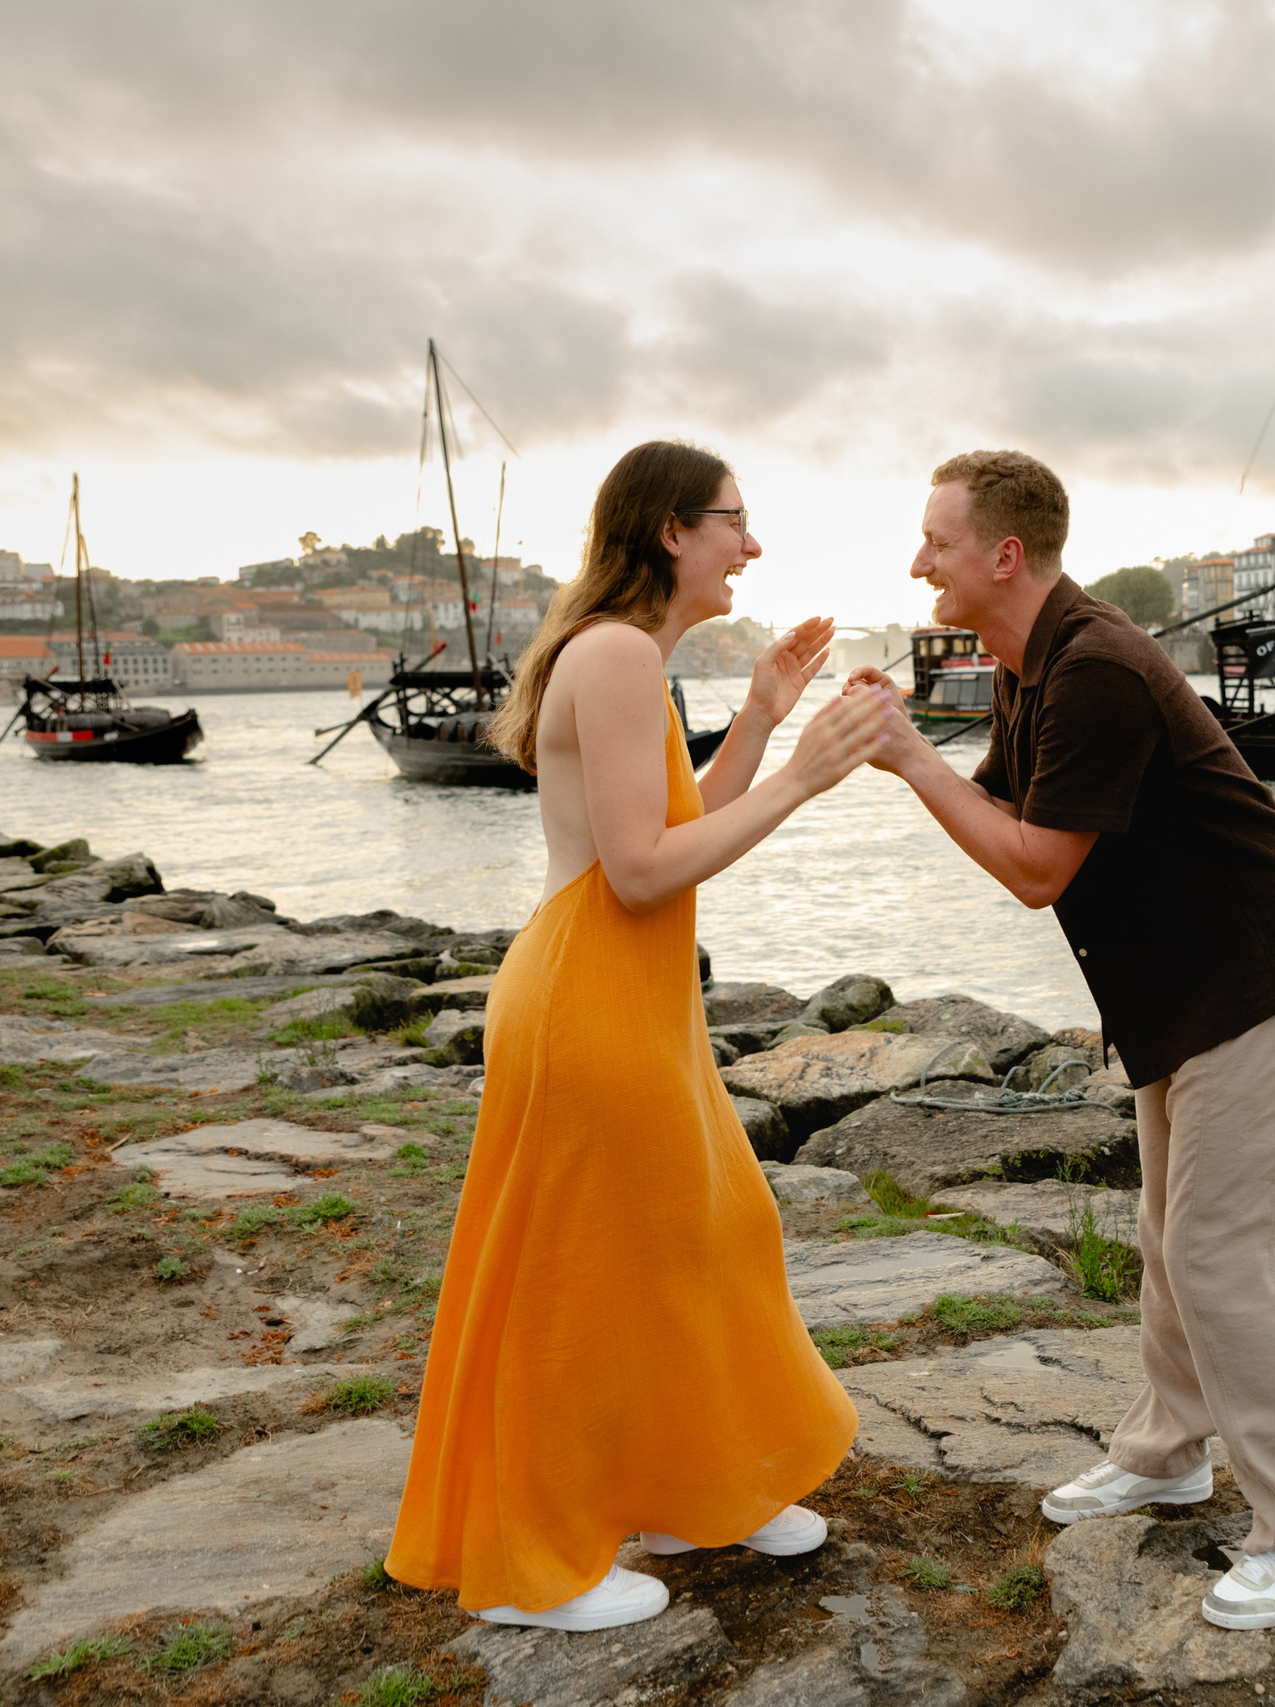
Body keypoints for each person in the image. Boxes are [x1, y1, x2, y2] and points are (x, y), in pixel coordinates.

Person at [387, 439, 896, 1632]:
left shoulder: (626, 657)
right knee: (582, 1281)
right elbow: (642, 871)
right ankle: (534, 1569)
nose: (752, 545)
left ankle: (690, 1494)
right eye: (734, 520)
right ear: (673, 531)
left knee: (706, 1238)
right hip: (591, 1002)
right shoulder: (615, 654)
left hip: (626, 998)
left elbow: (676, 826)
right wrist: (803, 780)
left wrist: (760, 721)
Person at [847, 450, 1275, 1632]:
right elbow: (1005, 811)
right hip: (1181, 983)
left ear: (1003, 555)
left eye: (936, 541)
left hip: (1255, 976)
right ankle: (1167, 1452)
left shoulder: (1094, 669)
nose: (918, 561)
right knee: (1169, 1237)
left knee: (1222, 1255)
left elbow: (1036, 868)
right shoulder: (1029, 664)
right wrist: (904, 740)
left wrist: (909, 758)